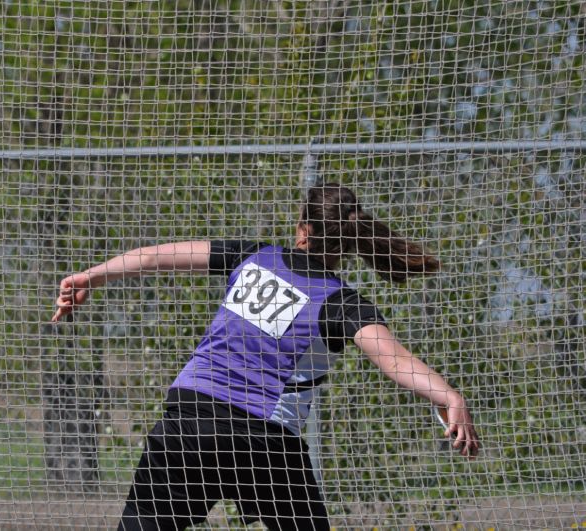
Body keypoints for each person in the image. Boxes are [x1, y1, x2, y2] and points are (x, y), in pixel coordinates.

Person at [52, 183, 479, 531]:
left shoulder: (254, 255)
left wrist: (92, 275)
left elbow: (154, 257)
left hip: (189, 416)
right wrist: (448, 395)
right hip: (263, 438)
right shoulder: (341, 302)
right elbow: (394, 361)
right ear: (349, 244)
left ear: (302, 230)